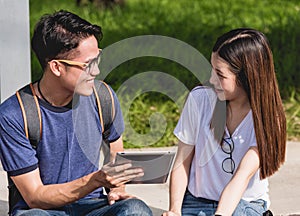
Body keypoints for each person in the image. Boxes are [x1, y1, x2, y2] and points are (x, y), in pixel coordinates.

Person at [0, 10, 152, 216]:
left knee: (136, 210)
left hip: (92, 206)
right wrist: (95, 180)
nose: (96, 71)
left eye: (97, 59)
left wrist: (117, 189)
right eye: (87, 65)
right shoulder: (15, 115)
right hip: (42, 210)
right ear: (56, 67)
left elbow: (116, 155)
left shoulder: (103, 97)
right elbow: (34, 196)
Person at [163, 28, 286, 216]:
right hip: (196, 202)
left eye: (220, 74)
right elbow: (182, 163)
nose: (212, 80)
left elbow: (241, 178)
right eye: (212, 70)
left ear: (246, 77)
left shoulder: (268, 119)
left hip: (244, 204)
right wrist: (174, 210)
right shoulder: (200, 99)